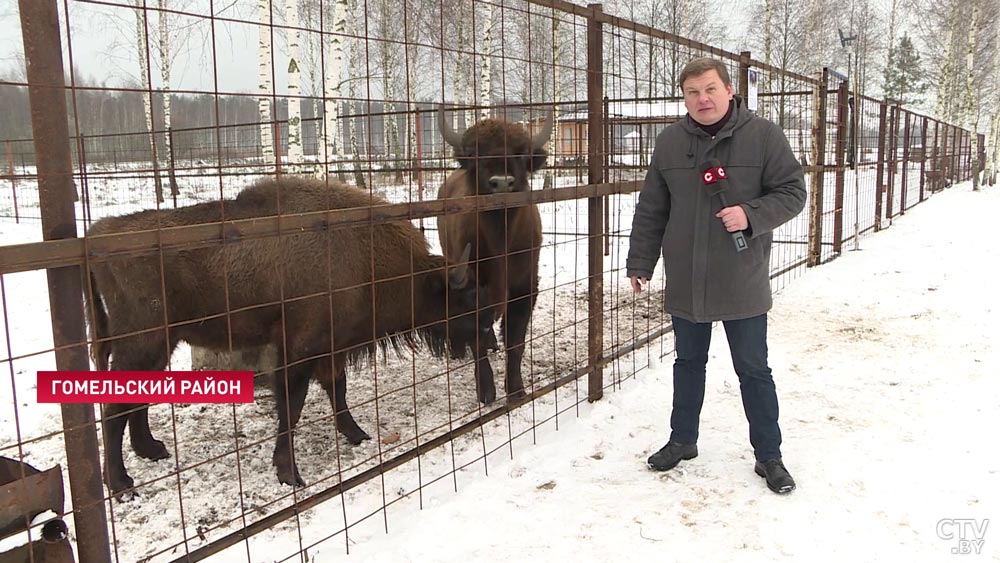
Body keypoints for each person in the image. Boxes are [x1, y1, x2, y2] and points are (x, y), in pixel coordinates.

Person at [626, 57, 806, 494]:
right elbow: (653, 206)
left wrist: (750, 214)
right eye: (692, 92)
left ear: (729, 90)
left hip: (740, 277)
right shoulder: (670, 142)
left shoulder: (764, 137)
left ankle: (769, 455)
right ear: (684, 98)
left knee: (753, 369)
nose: (702, 99)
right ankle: (683, 440)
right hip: (687, 277)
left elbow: (793, 192)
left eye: (710, 89)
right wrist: (640, 261)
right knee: (688, 364)